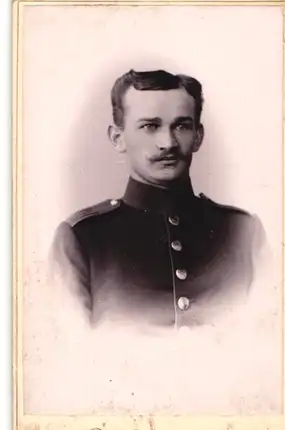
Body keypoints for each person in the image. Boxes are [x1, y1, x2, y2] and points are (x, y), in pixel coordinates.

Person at [50, 69, 265, 328]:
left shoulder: (244, 232)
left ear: (198, 136)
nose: (168, 143)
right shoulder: (81, 239)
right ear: (118, 138)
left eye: (182, 126)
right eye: (150, 126)